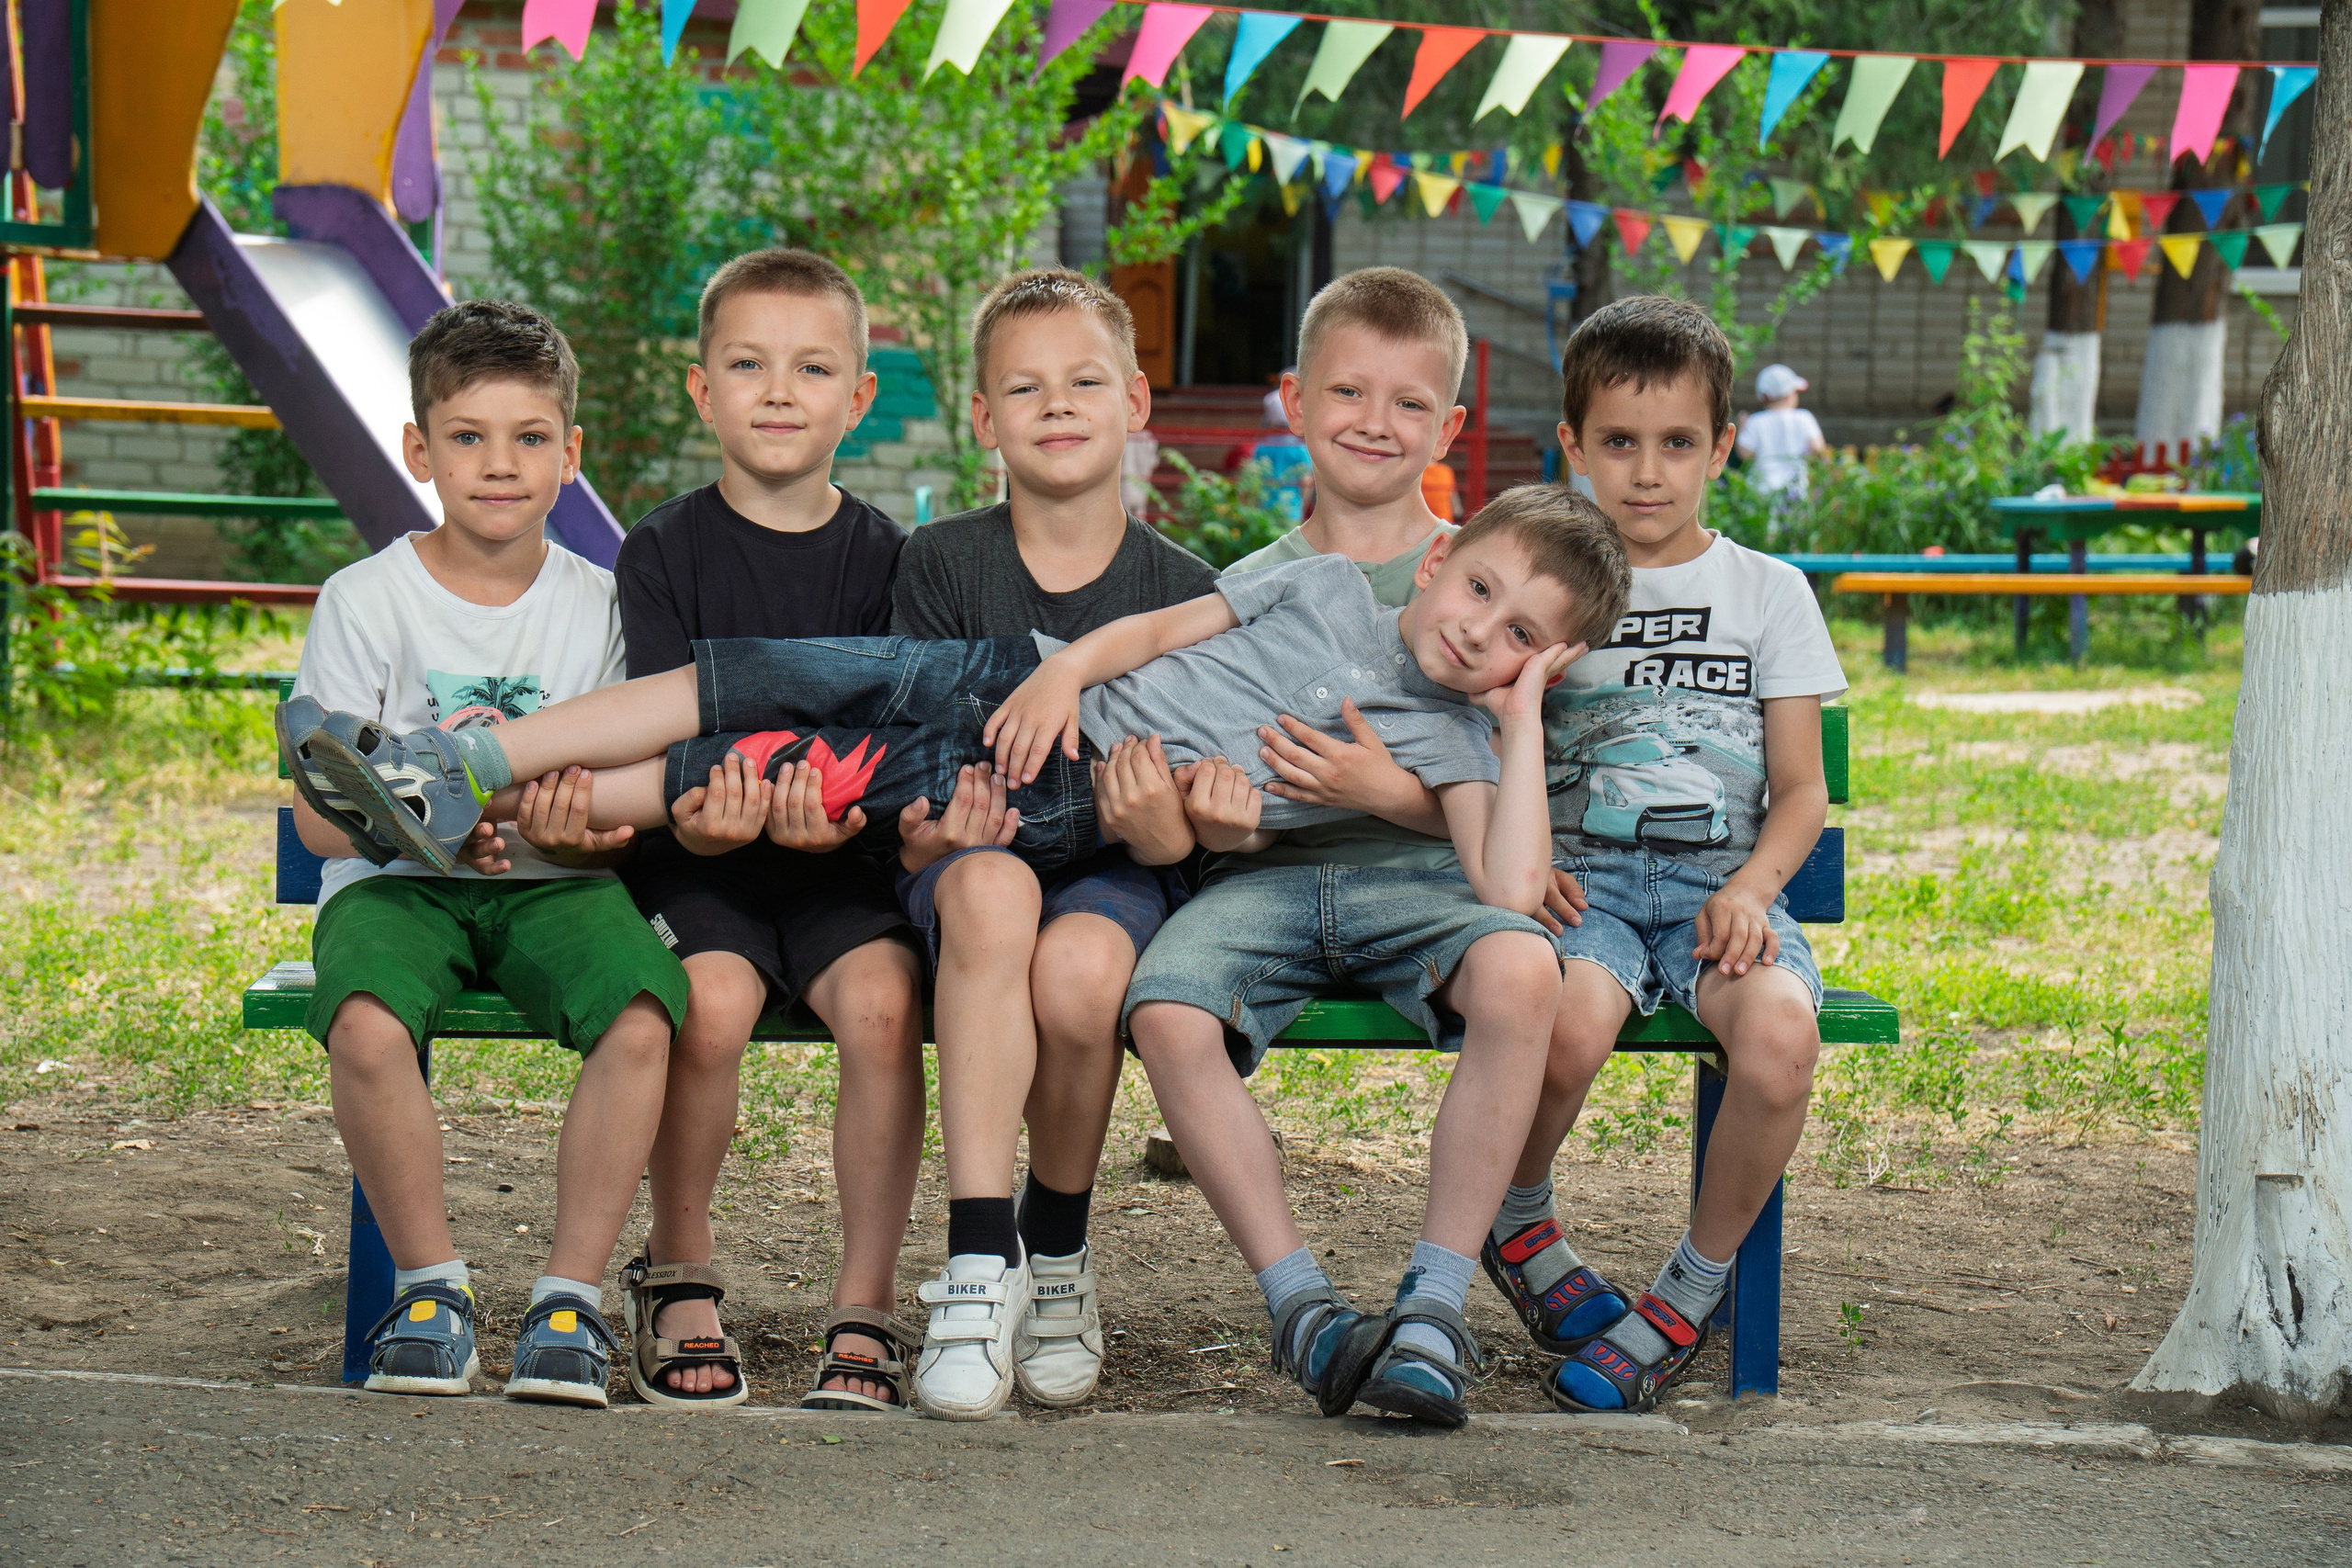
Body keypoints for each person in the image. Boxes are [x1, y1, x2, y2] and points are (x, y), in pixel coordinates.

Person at [1125, 269, 1603, 1430]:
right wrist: (1204, 817)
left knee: (1522, 968)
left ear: (1448, 430)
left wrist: (1397, 797)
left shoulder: (1502, 572)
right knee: (1166, 1011)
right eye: (1348, 392)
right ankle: (1300, 1308)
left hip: (1429, 888)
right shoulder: (1252, 590)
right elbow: (1193, 784)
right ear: (1295, 401)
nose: (1373, 425)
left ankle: (1435, 1307)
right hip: (1265, 884)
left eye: (1409, 405)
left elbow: (1522, 811)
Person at [508, 249, 925, 1412]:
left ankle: (868, 1299)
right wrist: (699, 827)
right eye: (747, 364)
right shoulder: (662, 551)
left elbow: (884, 744)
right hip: (698, 859)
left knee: (886, 1005)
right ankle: (679, 1268)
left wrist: (829, 819)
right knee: (715, 1001)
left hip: (842, 861)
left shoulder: (887, 560)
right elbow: (662, 745)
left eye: (811, 367)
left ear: (859, 395)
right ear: (704, 391)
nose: (778, 390)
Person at [276, 299, 687, 1408]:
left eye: (529, 438)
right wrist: (436, 822)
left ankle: (571, 1301)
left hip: (558, 888)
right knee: (363, 1019)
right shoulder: (365, 602)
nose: (498, 465)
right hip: (398, 888)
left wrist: (580, 824)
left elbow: (619, 800)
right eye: (466, 437)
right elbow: (322, 818)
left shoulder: (602, 611)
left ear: (570, 453)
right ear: (419, 449)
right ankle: (431, 1291)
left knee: (643, 1014)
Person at [881, 269, 1215, 1418]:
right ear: (984, 419)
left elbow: (1190, 829)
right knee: (990, 899)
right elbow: (908, 766)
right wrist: (929, 836)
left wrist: (1162, 822)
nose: (1056, 404)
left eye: (1083, 382)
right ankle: (980, 1260)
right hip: (975, 865)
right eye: (1023, 387)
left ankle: (1056, 1249)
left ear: (1134, 402)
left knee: (1081, 976)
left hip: (1119, 870)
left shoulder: (1184, 591)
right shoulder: (939, 565)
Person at [1509, 295, 1848, 1415]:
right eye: (1617, 441)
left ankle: (1685, 1295)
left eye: (1676, 444)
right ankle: (1518, 1221)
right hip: (1582, 894)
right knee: (1566, 1022)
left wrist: (1756, 887)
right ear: (1572, 446)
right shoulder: (1540, 587)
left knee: (1778, 1042)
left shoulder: (1767, 594)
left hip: (1718, 896)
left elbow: (1801, 790)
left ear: (1721, 448)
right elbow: (1480, 741)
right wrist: (1525, 862)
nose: (1645, 473)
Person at [1734, 362, 1828, 502]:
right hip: (1795, 491)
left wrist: (1742, 428)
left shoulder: (1755, 421)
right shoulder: (1804, 417)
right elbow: (1818, 448)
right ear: (1790, 395)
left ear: (1763, 397)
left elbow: (1745, 454)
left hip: (1761, 491)